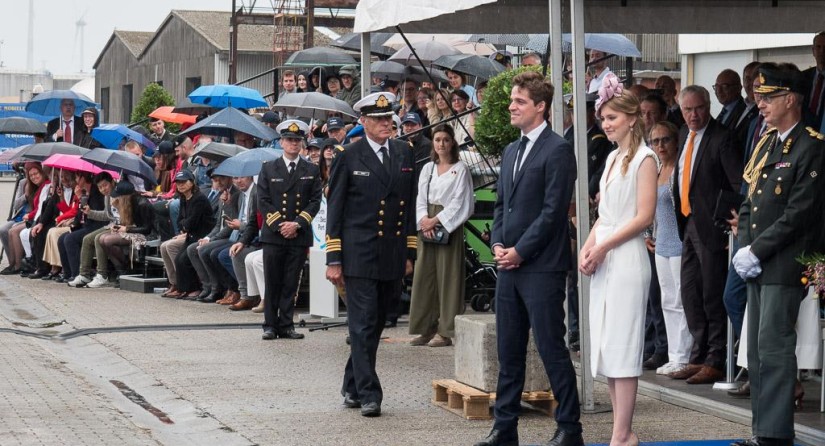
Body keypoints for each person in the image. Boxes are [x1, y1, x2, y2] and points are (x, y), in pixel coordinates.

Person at [475, 71, 582, 446]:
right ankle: (505, 428)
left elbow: (553, 212)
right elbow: (502, 204)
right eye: (512, 101)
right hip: (509, 267)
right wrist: (500, 244)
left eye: (519, 101)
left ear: (541, 107)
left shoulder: (557, 149)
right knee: (508, 349)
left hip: (542, 267)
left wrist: (521, 250)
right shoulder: (511, 150)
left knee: (552, 348)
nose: (511, 107)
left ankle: (570, 427)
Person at [731, 64, 825, 446]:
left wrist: (757, 248)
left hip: (785, 262)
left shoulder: (812, 145)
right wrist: (743, 248)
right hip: (758, 260)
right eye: (759, 96)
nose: (761, 103)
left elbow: (800, 212)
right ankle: (761, 430)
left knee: (774, 348)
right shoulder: (768, 142)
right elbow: (751, 200)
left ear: (791, 99)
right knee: (756, 351)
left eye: (769, 97)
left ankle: (774, 434)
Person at [325, 92, 417, 418]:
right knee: (362, 325)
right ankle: (369, 393)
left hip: (391, 254)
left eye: (388, 117)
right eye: (378, 119)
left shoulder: (404, 152)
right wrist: (333, 258)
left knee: (377, 324)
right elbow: (334, 210)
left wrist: (409, 251)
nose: (386, 123)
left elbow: (409, 208)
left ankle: (351, 384)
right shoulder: (348, 156)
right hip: (359, 253)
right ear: (363, 122)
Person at [579, 74, 656, 446]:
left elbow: (643, 217)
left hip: (626, 259)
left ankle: (622, 433)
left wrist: (605, 246)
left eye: (612, 118)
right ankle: (620, 433)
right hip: (607, 254)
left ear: (630, 118)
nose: (606, 125)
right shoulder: (611, 157)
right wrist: (589, 246)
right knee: (608, 346)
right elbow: (605, 215)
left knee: (623, 346)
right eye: (603, 119)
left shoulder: (645, 158)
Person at [668, 85, 742, 385]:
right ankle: (697, 355)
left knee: (712, 293)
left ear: (707, 106)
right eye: (687, 110)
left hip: (713, 228)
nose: (694, 115)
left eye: (699, 108)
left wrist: (729, 224)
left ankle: (715, 357)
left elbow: (737, 184)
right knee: (689, 293)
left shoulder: (722, 138)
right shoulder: (685, 135)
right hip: (687, 223)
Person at [408, 124, 474, 347]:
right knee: (425, 276)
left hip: (447, 223)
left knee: (448, 277)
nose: (441, 144)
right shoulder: (427, 168)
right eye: (437, 140)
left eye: (445, 139)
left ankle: (446, 330)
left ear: (452, 142)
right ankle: (426, 327)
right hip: (427, 221)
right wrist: (424, 220)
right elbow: (419, 197)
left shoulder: (460, 169)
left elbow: (460, 201)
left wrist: (437, 221)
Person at [258, 119, 322, 337]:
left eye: (297, 140)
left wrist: (297, 224)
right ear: (281, 142)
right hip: (274, 234)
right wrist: (279, 225)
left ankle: (286, 324)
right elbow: (263, 200)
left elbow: (315, 201)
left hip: (298, 234)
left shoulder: (311, 169)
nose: (293, 144)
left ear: (302, 143)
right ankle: (269, 325)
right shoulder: (268, 168)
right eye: (289, 140)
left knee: (291, 282)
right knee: (273, 281)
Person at [647, 121, 693, 376]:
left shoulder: (680, 170)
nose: (661, 145)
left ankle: (683, 356)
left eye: (665, 139)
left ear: (676, 141)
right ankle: (674, 354)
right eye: (655, 141)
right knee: (667, 301)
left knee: (681, 300)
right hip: (660, 242)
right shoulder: (655, 170)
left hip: (679, 242)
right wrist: (646, 234)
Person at [91, 181, 154, 286]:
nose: (117, 199)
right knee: (101, 239)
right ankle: (121, 270)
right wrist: (118, 212)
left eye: (118, 197)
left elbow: (147, 229)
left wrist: (126, 229)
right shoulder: (129, 203)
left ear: (124, 196)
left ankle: (124, 268)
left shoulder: (142, 204)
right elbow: (126, 222)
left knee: (106, 240)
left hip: (145, 235)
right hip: (133, 230)